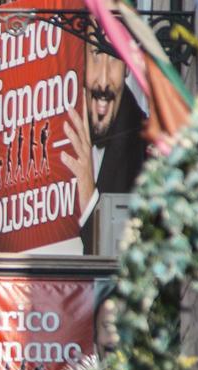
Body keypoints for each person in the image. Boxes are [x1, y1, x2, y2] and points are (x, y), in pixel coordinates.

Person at [60, 38, 148, 253]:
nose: (103, 80)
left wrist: (90, 199)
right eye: (96, 55)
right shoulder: (57, 128)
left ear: (127, 66)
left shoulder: (146, 150)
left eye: (115, 58)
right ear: (81, 59)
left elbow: (124, 262)